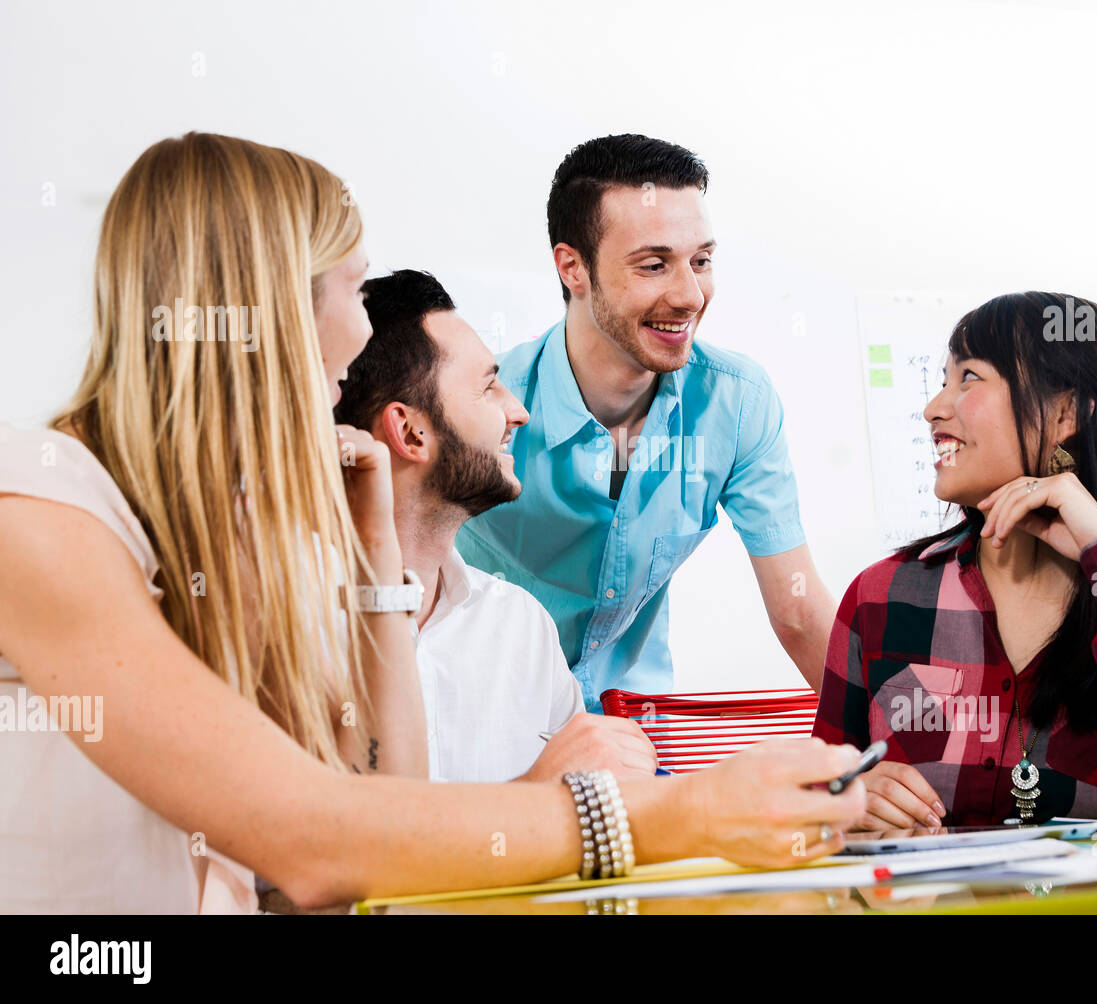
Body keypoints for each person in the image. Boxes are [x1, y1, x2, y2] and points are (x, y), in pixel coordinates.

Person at [0, 132, 868, 913]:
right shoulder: (41, 513)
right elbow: (317, 843)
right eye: (349, 286)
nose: (358, 328)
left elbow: (380, 797)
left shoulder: (236, 538)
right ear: (268, 304)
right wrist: (680, 811)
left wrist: (376, 546)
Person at [812, 292, 1097, 828]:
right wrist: (846, 801)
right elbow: (816, 809)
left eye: (969, 377)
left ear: (1065, 412)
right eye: (942, 380)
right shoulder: (881, 597)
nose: (934, 409)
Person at [457, 134, 838, 710]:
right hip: (488, 727)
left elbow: (800, 612)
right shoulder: (479, 406)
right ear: (573, 268)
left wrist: (912, 753)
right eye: (654, 265)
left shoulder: (736, 403)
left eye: (702, 261)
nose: (689, 295)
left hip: (637, 731)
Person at [335, 269, 658, 782]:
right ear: (410, 431)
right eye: (488, 387)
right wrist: (535, 793)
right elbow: (350, 847)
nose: (519, 412)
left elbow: (591, 820)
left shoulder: (521, 629)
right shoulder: (287, 629)